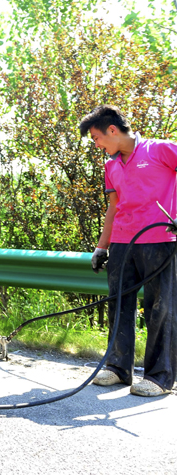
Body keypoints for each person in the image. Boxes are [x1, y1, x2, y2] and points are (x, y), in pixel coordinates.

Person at [79, 105, 177, 397]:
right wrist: (101, 246)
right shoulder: (111, 166)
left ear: (112, 130)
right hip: (123, 243)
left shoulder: (160, 150)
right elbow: (113, 207)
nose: (96, 144)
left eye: (97, 138)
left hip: (159, 238)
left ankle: (159, 377)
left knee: (160, 308)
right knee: (118, 303)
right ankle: (118, 368)